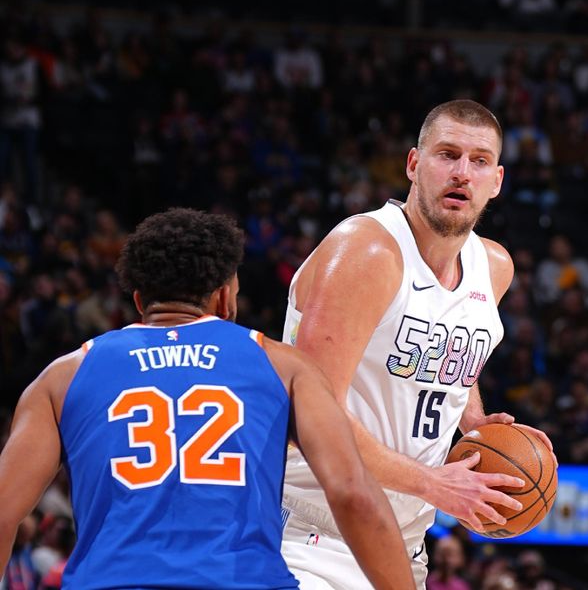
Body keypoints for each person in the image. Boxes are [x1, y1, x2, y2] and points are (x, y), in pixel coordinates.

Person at [0, 208, 414, 590]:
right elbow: (352, 493)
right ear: (224, 296)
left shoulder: (62, 377)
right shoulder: (284, 367)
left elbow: (3, 511)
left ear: (140, 301)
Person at [280, 99, 556, 588]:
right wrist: (435, 484)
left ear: (497, 181)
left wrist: (472, 419)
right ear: (413, 164)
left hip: (404, 544)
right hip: (313, 533)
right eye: (447, 154)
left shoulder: (493, 267)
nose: (461, 173)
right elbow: (311, 414)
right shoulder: (367, 251)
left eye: (479, 161)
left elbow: (454, 349)